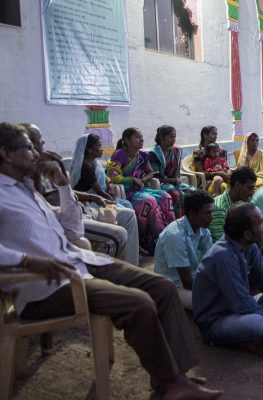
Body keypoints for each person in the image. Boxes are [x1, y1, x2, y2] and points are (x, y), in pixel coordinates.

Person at [0, 122, 223, 400]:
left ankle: (175, 376)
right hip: (46, 287)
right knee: (139, 302)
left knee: (161, 286)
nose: (37, 152)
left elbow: (73, 231)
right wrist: (25, 262)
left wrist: (63, 185)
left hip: (76, 260)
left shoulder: (28, 191)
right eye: (29, 147)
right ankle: (171, 383)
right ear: (6, 154)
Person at [193, 203, 263, 357]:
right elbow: (240, 302)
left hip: (239, 308)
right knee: (261, 327)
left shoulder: (250, 246)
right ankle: (249, 339)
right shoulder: (222, 255)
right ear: (247, 234)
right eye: (260, 223)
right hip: (217, 319)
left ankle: (261, 332)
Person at [25, 125, 139, 266]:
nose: (44, 143)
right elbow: (44, 206)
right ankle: (115, 271)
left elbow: (67, 192)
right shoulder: (26, 175)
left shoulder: (46, 167)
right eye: (39, 141)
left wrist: (94, 197)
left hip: (80, 207)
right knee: (118, 233)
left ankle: (131, 263)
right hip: (66, 215)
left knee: (128, 215)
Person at [106, 128, 175, 255]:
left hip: (141, 189)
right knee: (149, 201)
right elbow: (113, 176)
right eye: (137, 137)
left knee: (165, 196)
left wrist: (142, 179)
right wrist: (131, 180)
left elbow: (150, 172)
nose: (141, 139)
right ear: (127, 140)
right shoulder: (119, 155)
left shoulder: (143, 155)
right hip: (126, 192)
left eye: (142, 137)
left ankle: (170, 237)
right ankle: (150, 242)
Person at [154, 190, 214, 310]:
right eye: (207, 213)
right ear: (191, 213)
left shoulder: (203, 230)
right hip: (173, 287)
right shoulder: (175, 235)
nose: (211, 217)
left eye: (212, 212)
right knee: (212, 304)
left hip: (192, 279)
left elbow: (212, 262)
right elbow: (186, 281)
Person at [208, 167, 263, 258]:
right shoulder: (219, 207)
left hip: (243, 246)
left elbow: (257, 232)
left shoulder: (244, 204)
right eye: (249, 188)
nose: (251, 193)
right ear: (238, 185)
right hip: (226, 254)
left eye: (252, 188)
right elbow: (222, 244)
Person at [70, 133, 133, 209]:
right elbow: (99, 192)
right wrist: (114, 202)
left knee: (127, 204)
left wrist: (108, 185)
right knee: (125, 208)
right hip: (90, 201)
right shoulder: (86, 168)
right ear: (89, 149)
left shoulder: (94, 164)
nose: (102, 149)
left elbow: (105, 179)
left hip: (99, 197)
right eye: (99, 146)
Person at [149, 125, 195, 218]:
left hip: (174, 181)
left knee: (194, 192)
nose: (173, 139)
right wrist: (172, 181)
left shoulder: (176, 150)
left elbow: (176, 171)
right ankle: (177, 221)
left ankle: (192, 219)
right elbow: (154, 176)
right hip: (161, 183)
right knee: (176, 194)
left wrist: (175, 180)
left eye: (174, 137)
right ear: (162, 137)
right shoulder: (153, 153)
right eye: (171, 137)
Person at [192, 125, 227, 195]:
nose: (216, 136)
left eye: (216, 134)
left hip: (223, 175)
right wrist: (218, 173)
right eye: (213, 134)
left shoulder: (220, 151)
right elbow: (201, 173)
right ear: (205, 135)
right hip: (208, 180)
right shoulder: (198, 153)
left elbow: (225, 166)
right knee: (224, 187)